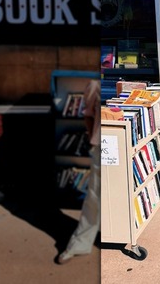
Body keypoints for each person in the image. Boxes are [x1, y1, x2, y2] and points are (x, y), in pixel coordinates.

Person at [56, 79, 101, 265]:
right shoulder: (95, 85)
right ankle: (79, 244)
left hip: (130, 147)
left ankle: (123, 238)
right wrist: (93, 140)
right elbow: (88, 115)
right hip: (103, 149)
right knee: (94, 199)